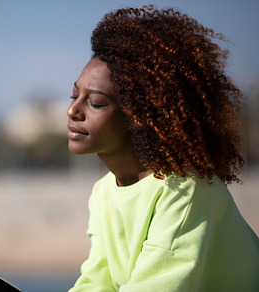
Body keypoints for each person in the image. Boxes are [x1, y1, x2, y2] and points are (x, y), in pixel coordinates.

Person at [67, 5, 259, 291]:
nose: (72, 110)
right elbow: (96, 283)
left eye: (95, 103)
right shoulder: (103, 193)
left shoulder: (183, 190)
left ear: (142, 114)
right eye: (73, 95)